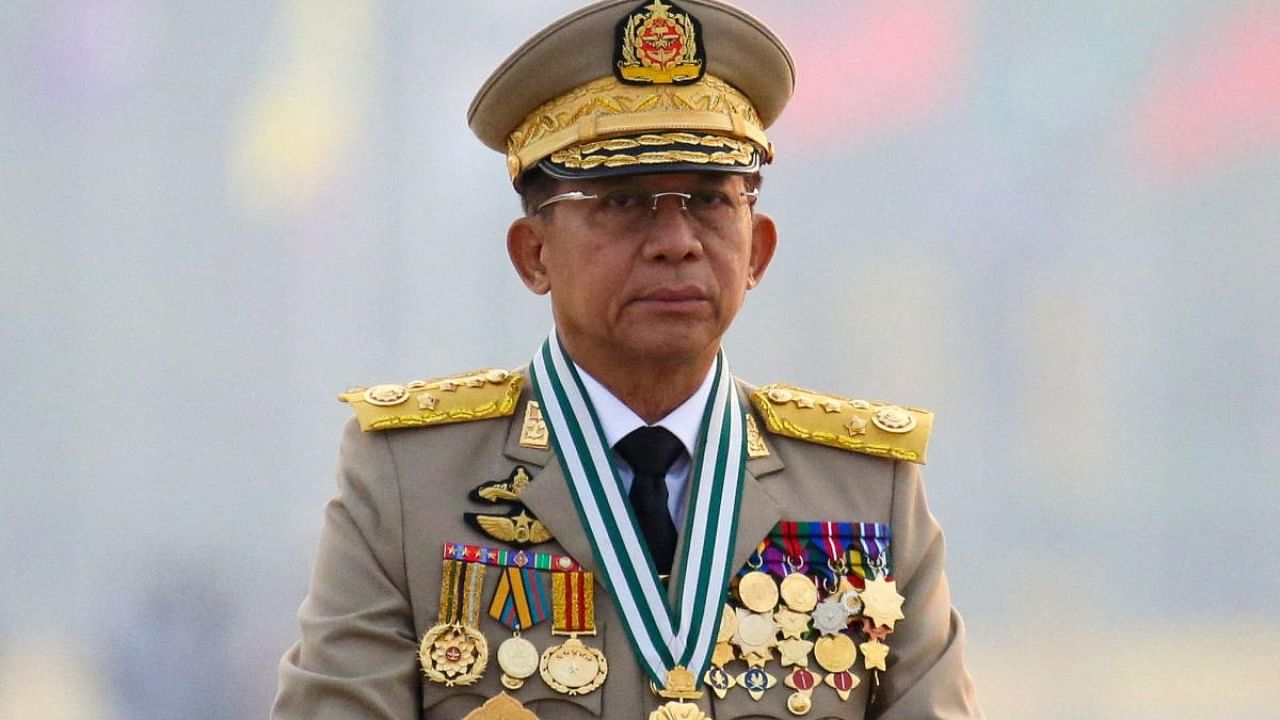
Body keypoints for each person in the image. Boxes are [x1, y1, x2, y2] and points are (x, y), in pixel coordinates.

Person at [273, 1, 983, 718]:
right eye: (624, 203)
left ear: (758, 250)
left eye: (708, 201)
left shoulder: (864, 489)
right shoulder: (409, 479)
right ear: (533, 253)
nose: (675, 241)